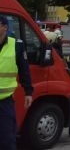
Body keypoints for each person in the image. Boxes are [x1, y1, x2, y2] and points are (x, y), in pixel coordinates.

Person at [0, 15, 33, 150]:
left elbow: (24, 70)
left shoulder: (17, 45)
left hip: (4, 102)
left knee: (7, 139)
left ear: (4, 27)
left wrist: (28, 92)